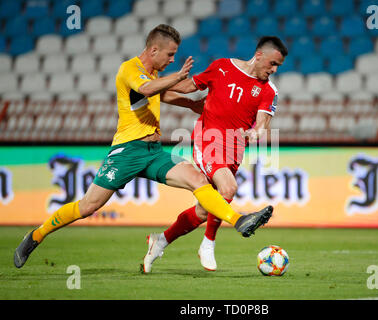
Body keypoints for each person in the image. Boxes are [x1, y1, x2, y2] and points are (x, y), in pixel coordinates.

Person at [14, 24, 273, 270]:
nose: (172, 59)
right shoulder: (129, 69)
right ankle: (36, 235)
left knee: (197, 180)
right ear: (154, 50)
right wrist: (179, 76)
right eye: (170, 54)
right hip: (127, 151)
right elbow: (149, 89)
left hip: (153, 152)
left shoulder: (154, 74)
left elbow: (163, 93)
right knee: (88, 207)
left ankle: (239, 220)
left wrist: (191, 104)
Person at [142, 36, 287, 272]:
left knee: (205, 210)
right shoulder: (222, 67)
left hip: (233, 152)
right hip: (208, 139)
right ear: (259, 55)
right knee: (228, 188)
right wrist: (155, 83)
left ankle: (161, 240)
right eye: (272, 63)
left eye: (278, 67)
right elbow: (190, 87)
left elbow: (262, 125)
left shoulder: (269, 91)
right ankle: (208, 244)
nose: (273, 70)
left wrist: (254, 134)